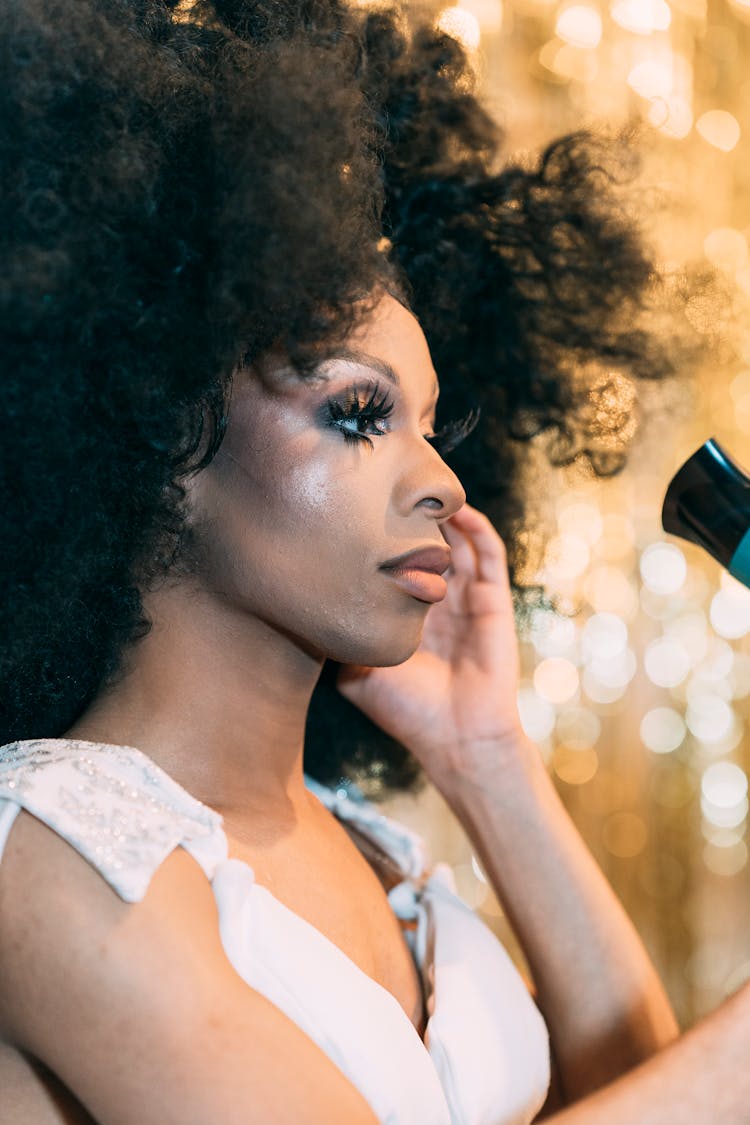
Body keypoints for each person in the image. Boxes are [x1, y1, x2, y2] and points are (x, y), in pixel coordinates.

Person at [1, 2, 747, 1123]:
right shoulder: (40, 848)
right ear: (159, 442)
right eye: (359, 414)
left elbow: (635, 1086)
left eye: (436, 429)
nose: (444, 484)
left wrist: (486, 756)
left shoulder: (372, 853)